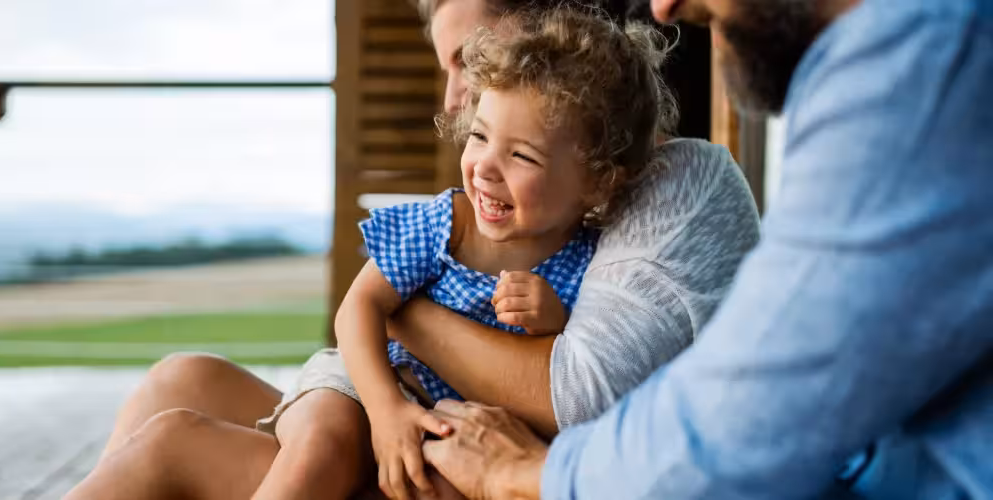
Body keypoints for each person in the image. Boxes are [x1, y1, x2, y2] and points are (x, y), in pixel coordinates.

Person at [64, 0, 761, 497]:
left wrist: (475, 316)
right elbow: (361, 313)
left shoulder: (658, 201)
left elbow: (576, 387)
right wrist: (391, 384)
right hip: (383, 397)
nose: (456, 101)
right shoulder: (454, 222)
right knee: (179, 384)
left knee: (178, 438)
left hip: (438, 433)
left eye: (469, 61)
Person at [418, 0, 993, 498]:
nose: (665, 8)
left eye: (470, 56)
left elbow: (753, 411)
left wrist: (525, 476)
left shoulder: (928, 57)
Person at [253, 9, 679, 500]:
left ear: (598, 181)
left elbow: (566, 376)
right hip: (370, 379)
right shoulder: (446, 225)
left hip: (450, 419)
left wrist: (553, 320)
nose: (484, 169)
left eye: (522, 155)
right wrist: (386, 411)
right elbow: (358, 309)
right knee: (321, 448)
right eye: (479, 136)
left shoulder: (592, 264)